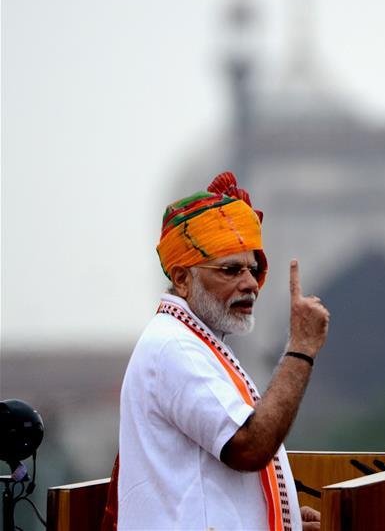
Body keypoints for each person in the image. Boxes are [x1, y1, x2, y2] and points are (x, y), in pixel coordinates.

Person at [113, 171, 329, 530]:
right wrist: (301, 348)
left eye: (253, 269)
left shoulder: (198, 343)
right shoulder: (174, 347)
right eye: (230, 270)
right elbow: (249, 446)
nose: (249, 283)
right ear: (182, 279)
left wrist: (280, 514)